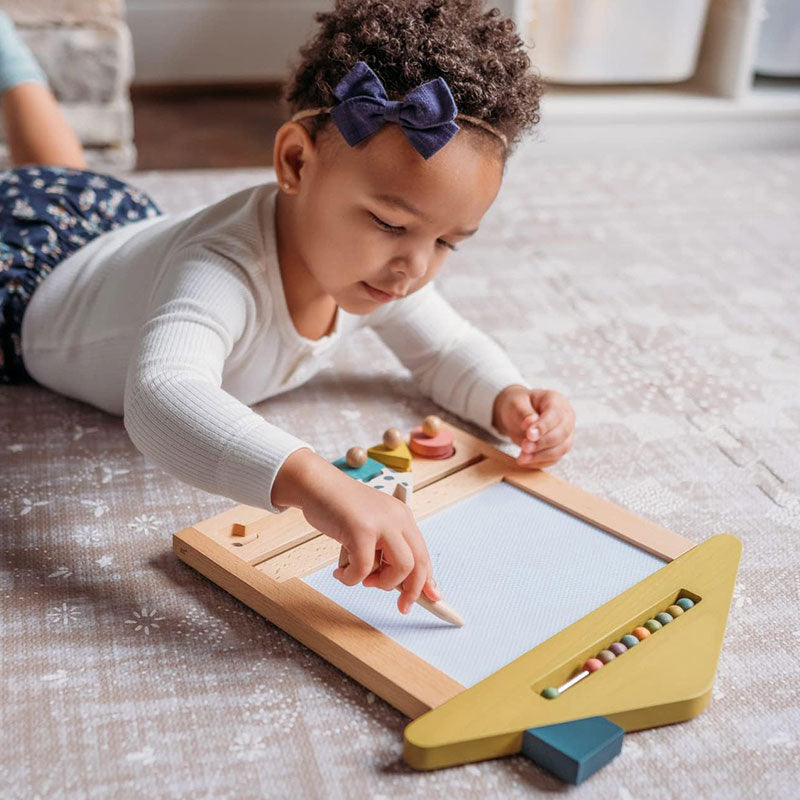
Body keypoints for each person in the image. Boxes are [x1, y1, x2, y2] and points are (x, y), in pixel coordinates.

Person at [0, 1, 575, 615]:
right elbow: (161, 394)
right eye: (389, 222)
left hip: (111, 232)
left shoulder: (371, 269)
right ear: (295, 162)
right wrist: (315, 484)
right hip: (23, 290)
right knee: (44, 185)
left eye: (446, 243)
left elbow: (446, 348)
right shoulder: (220, 268)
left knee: (60, 173)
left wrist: (507, 396)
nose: (415, 266)